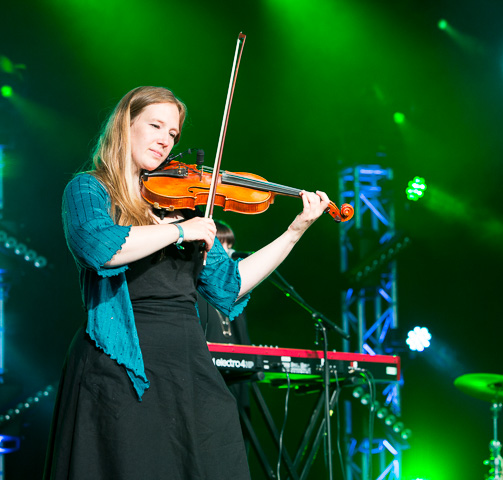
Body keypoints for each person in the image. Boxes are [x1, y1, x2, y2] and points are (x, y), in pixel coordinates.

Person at [43, 86, 331, 480]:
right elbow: (101, 248)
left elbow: (231, 284)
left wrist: (294, 231)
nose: (165, 140)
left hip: (185, 363)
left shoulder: (177, 206)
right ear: (125, 126)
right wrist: (179, 232)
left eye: (173, 134)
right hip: (119, 364)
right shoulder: (89, 189)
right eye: (155, 125)